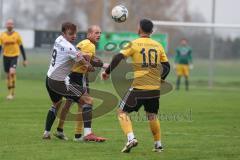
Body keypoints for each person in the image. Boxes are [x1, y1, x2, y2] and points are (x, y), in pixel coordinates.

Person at [102, 19, 170, 153]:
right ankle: (158, 145)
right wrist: (161, 79)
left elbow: (118, 57)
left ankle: (131, 138)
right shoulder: (158, 45)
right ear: (151, 31)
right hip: (154, 88)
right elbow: (167, 66)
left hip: (139, 87)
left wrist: (107, 71)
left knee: (121, 112)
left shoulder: (134, 44)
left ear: (139, 29)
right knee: (152, 115)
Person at [54, 25, 108, 142]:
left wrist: (101, 64)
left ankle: (60, 129)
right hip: (79, 77)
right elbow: (87, 61)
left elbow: (85, 57)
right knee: (84, 103)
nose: (99, 35)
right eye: (96, 33)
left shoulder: (83, 42)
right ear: (89, 34)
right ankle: (79, 135)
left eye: (100, 33)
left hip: (70, 74)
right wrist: (101, 65)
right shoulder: (90, 45)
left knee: (68, 103)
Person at [42, 22, 93, 139]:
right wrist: (90, 65)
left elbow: (74, 53)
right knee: (87, 100)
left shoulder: (58, 39)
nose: (74, 36)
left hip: (49, 79)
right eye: (70, 34)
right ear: (63, 33)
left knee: (56, 104)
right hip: (59, 83)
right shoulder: (69, 47)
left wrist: (81, 54)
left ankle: (47, 132)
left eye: (75, 33)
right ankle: (87, 134)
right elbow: (82, 61)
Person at [0, 19, 28, 100]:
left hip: (14, 56)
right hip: (5, 57)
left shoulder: (17, 35)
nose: (9, 25)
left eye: (11, 24)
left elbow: (21, 47)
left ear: (13, 25)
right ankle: (9, 93)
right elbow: (0, 47)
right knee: (8, 75)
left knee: (12, 72)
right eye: (8, 24)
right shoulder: (2, 35)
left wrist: (25, 59)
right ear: (6, 25)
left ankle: (12, 93)